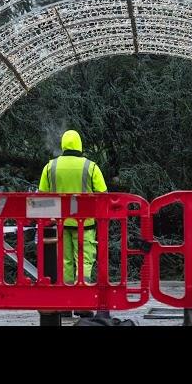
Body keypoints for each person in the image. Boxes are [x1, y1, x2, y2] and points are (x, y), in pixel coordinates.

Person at [38, 130, 107, 317]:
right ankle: (83, 304)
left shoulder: (50, 167)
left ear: (63, 145)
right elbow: (103, 194)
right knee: (84, 262)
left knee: (65, 263)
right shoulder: (90, 166)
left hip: (60, 224)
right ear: (80, 145)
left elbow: (42, 195)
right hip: (85, 224)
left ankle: (66, 306)